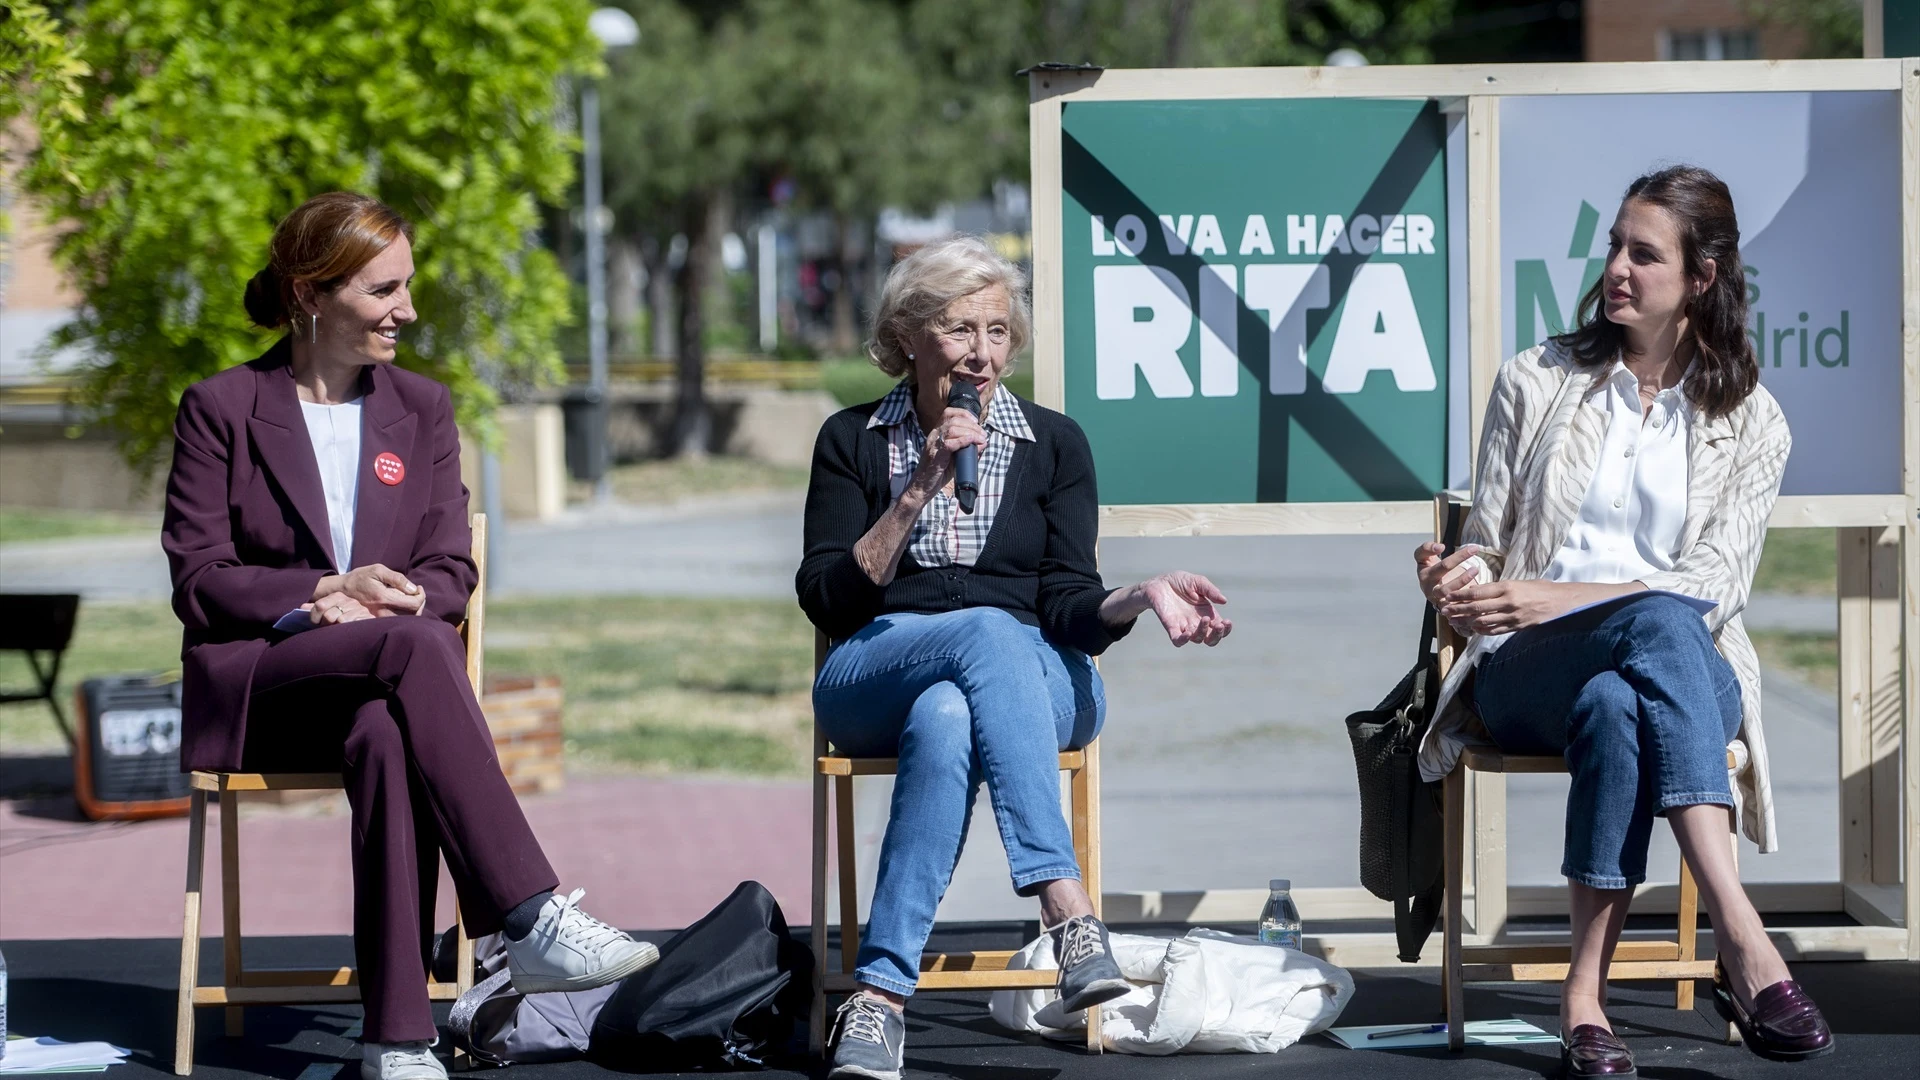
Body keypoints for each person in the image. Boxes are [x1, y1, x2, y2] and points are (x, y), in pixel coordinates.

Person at [163, 192, 655, 1080]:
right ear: (313, 293)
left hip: (385, 688)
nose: (408, 310)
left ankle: (396, 1038)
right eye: (386, 290)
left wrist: (388, 601)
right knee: (423, 646)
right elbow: (199, 582)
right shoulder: (221, 408)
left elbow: (449, 571)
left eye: (410, 286)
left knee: (389, 726)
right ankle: (527, 916)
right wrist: (322, 591)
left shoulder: (424, 408)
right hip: (262, 689)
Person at [1414, 166, 1831, 1076]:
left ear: (1702, 278)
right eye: (1614, 246)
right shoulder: (1536, 379)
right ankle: (1745, 937)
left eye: (1644, 254)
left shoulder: (1756, 421)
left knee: (1622, 694)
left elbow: (1713, 586)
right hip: (1530, 666)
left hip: (1681, 662)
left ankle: (1583, 1002)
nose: (1617, 269)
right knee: (1636, 645)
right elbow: (1486, 541)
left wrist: (1558, 593)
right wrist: (1462, 577)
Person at [797, 236, 1233, 1080]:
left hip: (1036, 674)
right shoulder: (852, 439)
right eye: (961, 330)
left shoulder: (1055, 444)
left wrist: (1136, 597)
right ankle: (1067, 910)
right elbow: (826, 599)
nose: (982, 353)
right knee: (985, 634)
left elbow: (1069, 603)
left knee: (954, 708)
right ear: (910, 337)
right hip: (876, 666)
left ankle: (879, 1000)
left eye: (998, 331)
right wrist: (917, 487)